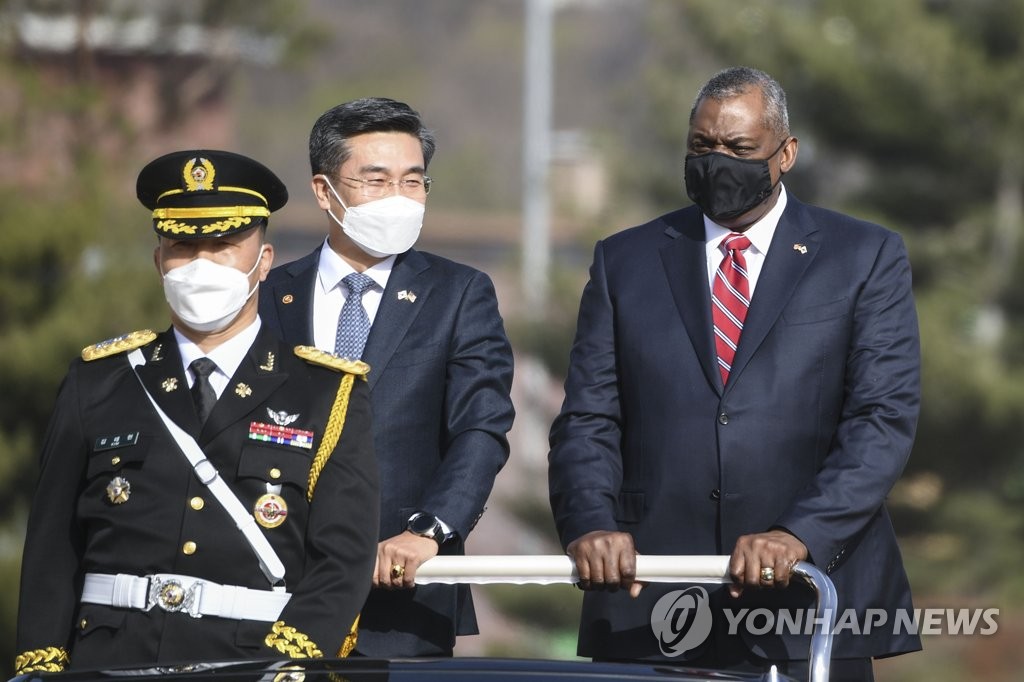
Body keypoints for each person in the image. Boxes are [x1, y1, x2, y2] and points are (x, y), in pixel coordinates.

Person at [548, 66, 921, 681]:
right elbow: (589, 417)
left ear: (786, 153)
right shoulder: (626, 260)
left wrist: (797, 534)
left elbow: (881, 421)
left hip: (807, 599)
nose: (717, 162)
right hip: (653, 599)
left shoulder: (864, 256)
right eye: (702, 147)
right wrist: (591, 522)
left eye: (740, 149)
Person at [15, 150, 379, 674]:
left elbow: (343, 558)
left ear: (265, 259)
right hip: (110, 659)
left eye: (224, 245)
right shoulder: (98, 380)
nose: (200, 264)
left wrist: (288, 663)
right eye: (183, 247)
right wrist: (42, 662)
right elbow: (53, 542)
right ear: (159, 260)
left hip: (251, 663)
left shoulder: (324, 392)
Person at [259, 97, 515, 657]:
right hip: (271, 587)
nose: (398, 198)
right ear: (324, 192)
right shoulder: (270, 296)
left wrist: (429, 532)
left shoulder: (459, 294)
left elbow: (481, 428)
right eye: (375, 181)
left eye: (413, 181)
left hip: (402, 596)